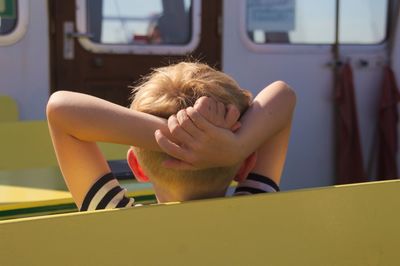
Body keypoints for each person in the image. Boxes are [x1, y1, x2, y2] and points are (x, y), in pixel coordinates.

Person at [46, 62, 296, 211]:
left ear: (137, 167)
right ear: (246, 165)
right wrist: (236, 147)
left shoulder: (119, 223)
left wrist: (173, 137)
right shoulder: (255, 211)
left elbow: (60, 109)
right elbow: (284, 94)